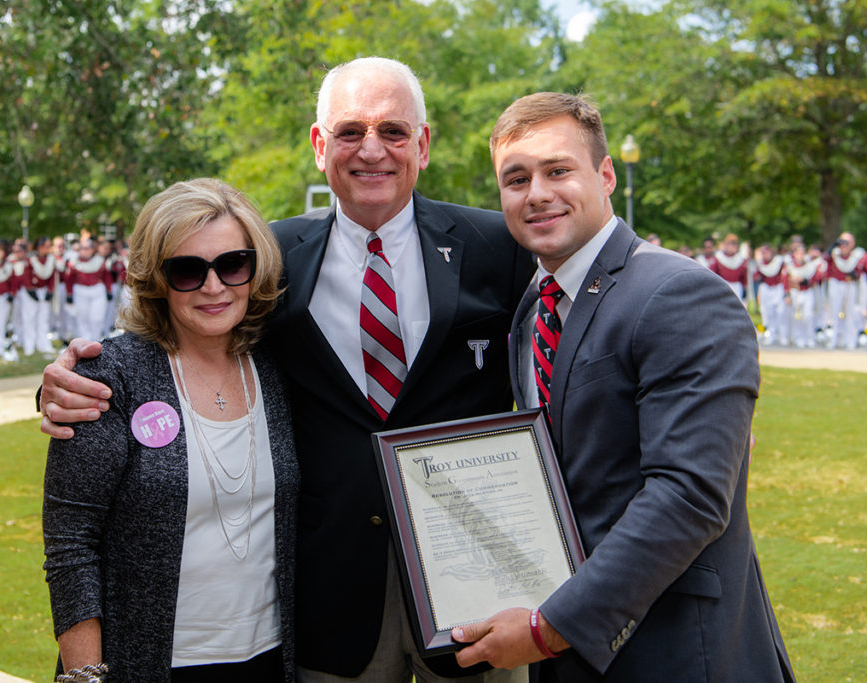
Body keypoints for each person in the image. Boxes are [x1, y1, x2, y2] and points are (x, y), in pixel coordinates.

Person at [39, 57, 532, 683]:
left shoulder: (500, 248)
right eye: (350, 131)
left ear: (424, 144)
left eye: (394, 131)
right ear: (320, 146)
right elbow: (178, 333)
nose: (371, 150)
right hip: (329, 598)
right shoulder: (266, 261)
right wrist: (65, 382)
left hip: (474, 585)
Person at [450, 92, 794, 682]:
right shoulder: (533, 310)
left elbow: (687, 496)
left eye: (558, 170)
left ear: (605, 175)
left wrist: (547, 628)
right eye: (516, 179)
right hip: (575, 654)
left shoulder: (680, 294)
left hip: (676, 650)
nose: (536, 193)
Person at [42, 178, 298, 682]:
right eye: (187, 270)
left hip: (269, 660)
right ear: (156, 279)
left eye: (232, 264)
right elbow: (71, 541)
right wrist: (84, 676)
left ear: (255, 267)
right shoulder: (109, 377)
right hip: (149, 664)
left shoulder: (278, 366)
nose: (214, 286)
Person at [825, 232, 867, 349]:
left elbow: (866, 269)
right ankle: (834, 339)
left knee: (851, 313)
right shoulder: (835, 254)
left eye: (847, 242)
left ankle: (851, 340)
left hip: (850, 285)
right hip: (836, 284)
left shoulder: (857, 255)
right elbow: (825, 259)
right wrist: (832, 247)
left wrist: (857, 274)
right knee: (834, 313)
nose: (844, 245)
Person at [64, 238, 114, 342]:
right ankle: (84, 343)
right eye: (81, 248)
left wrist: (109, 291)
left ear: (92, 249)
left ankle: (95, 341)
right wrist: (69, 294)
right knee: (82, 318)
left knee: (97, 318)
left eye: (86, 248)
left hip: (97, 291)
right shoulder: (73, 263)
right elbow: (69, 280)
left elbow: (107, 277)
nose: (83, 251)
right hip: (80, 291)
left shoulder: (100, 261)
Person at [20, 236, 58, 355]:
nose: (48, 249)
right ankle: (29, 345)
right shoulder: (30, 259)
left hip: (44, 290)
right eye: (45, 246)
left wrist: (50, 291)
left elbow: (52, 276)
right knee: (30, 319)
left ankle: (44, 344)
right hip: (31, 291)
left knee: (43, 319)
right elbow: (26, 276)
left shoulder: (51, 259)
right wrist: (30, 289)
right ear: (39, 247)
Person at [784, 243, 825, 348]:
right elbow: (785, 280)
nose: (801, 256)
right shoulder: (790, 266)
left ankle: (809, 337)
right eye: (799, 253)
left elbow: (815, 278)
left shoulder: (809, 266)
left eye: (803, 253)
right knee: (797, 316)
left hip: (807, 291)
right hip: (795, 292)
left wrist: (804, 280)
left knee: (808, 316)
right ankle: (798, 338)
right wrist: (787, 294)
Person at [755, 242, 789, 345]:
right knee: (768, 313)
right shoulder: (760, 264)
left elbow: (785, 276)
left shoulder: (779, 262)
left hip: (777, 288)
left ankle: (783, 336)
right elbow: (756, 277)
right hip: (766, 288)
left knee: (781, 312)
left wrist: (786, 292)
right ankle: (771, 334)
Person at [711, 232, 749, 301]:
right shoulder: (718, 258)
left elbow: (744, 279)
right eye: (730, 243)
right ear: (725, 245)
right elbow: (713, 275)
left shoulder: (741, 260)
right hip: (722, 287)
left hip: (737, 288)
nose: (732, 246)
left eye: (735, 244)